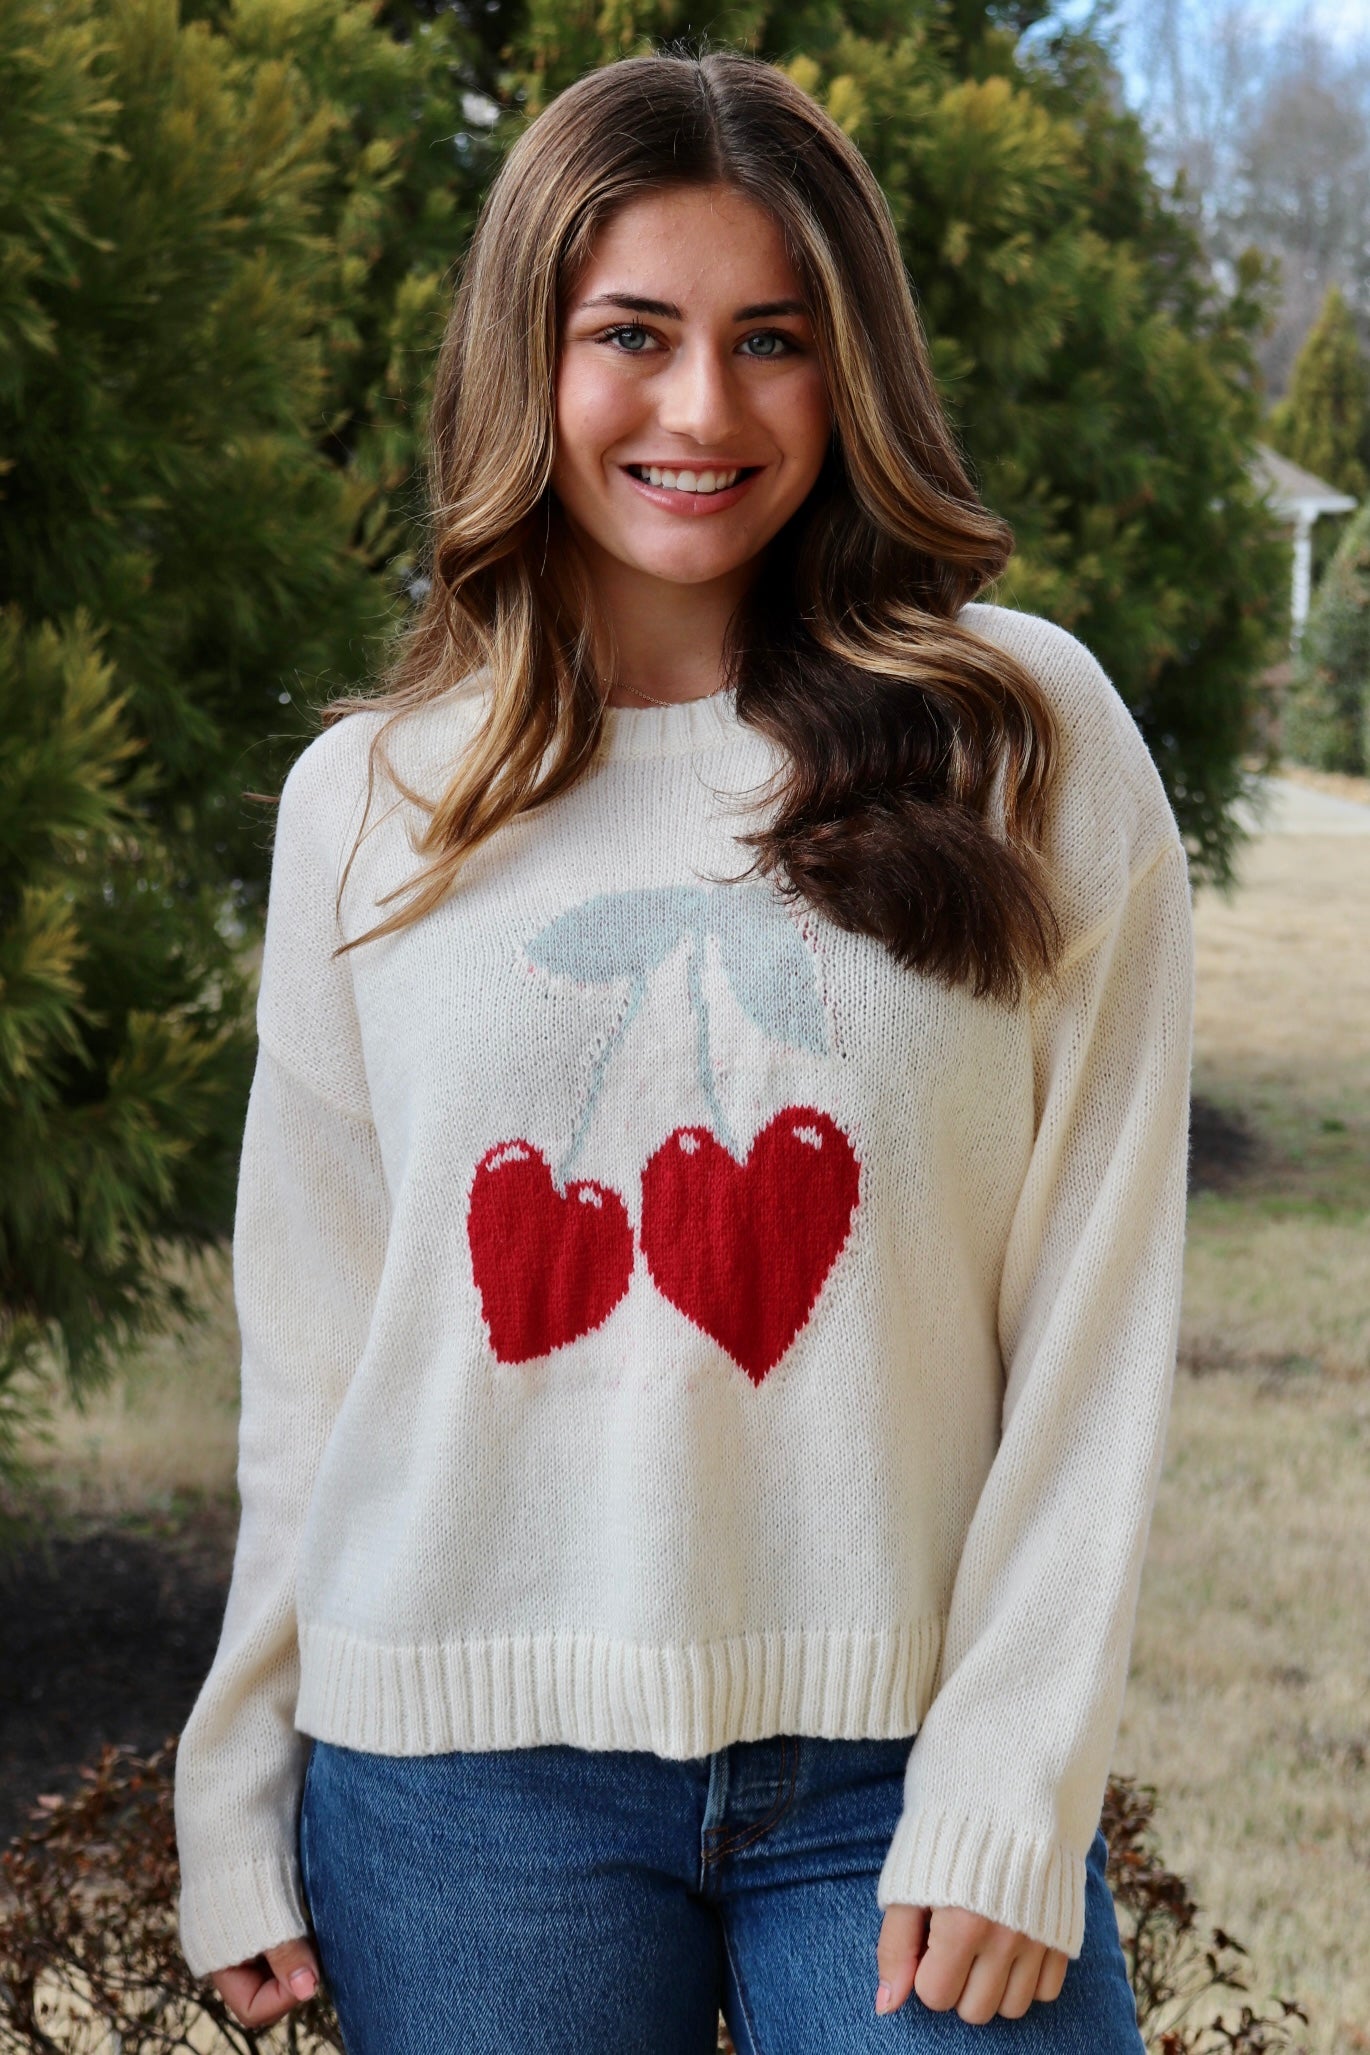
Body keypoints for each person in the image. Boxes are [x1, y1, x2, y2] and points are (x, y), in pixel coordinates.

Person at [172, 45, 1195, 2055]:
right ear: (524, 362)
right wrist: (234, 1784)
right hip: (460, 1785)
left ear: (856, 373)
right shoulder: (368, 801)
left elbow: (1101, 1303)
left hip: (898, 1768)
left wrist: (1013, 1766)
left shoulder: (1022, 739)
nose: (702, 410)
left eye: (774, 342)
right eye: (630, 335)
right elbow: (314, 1349)